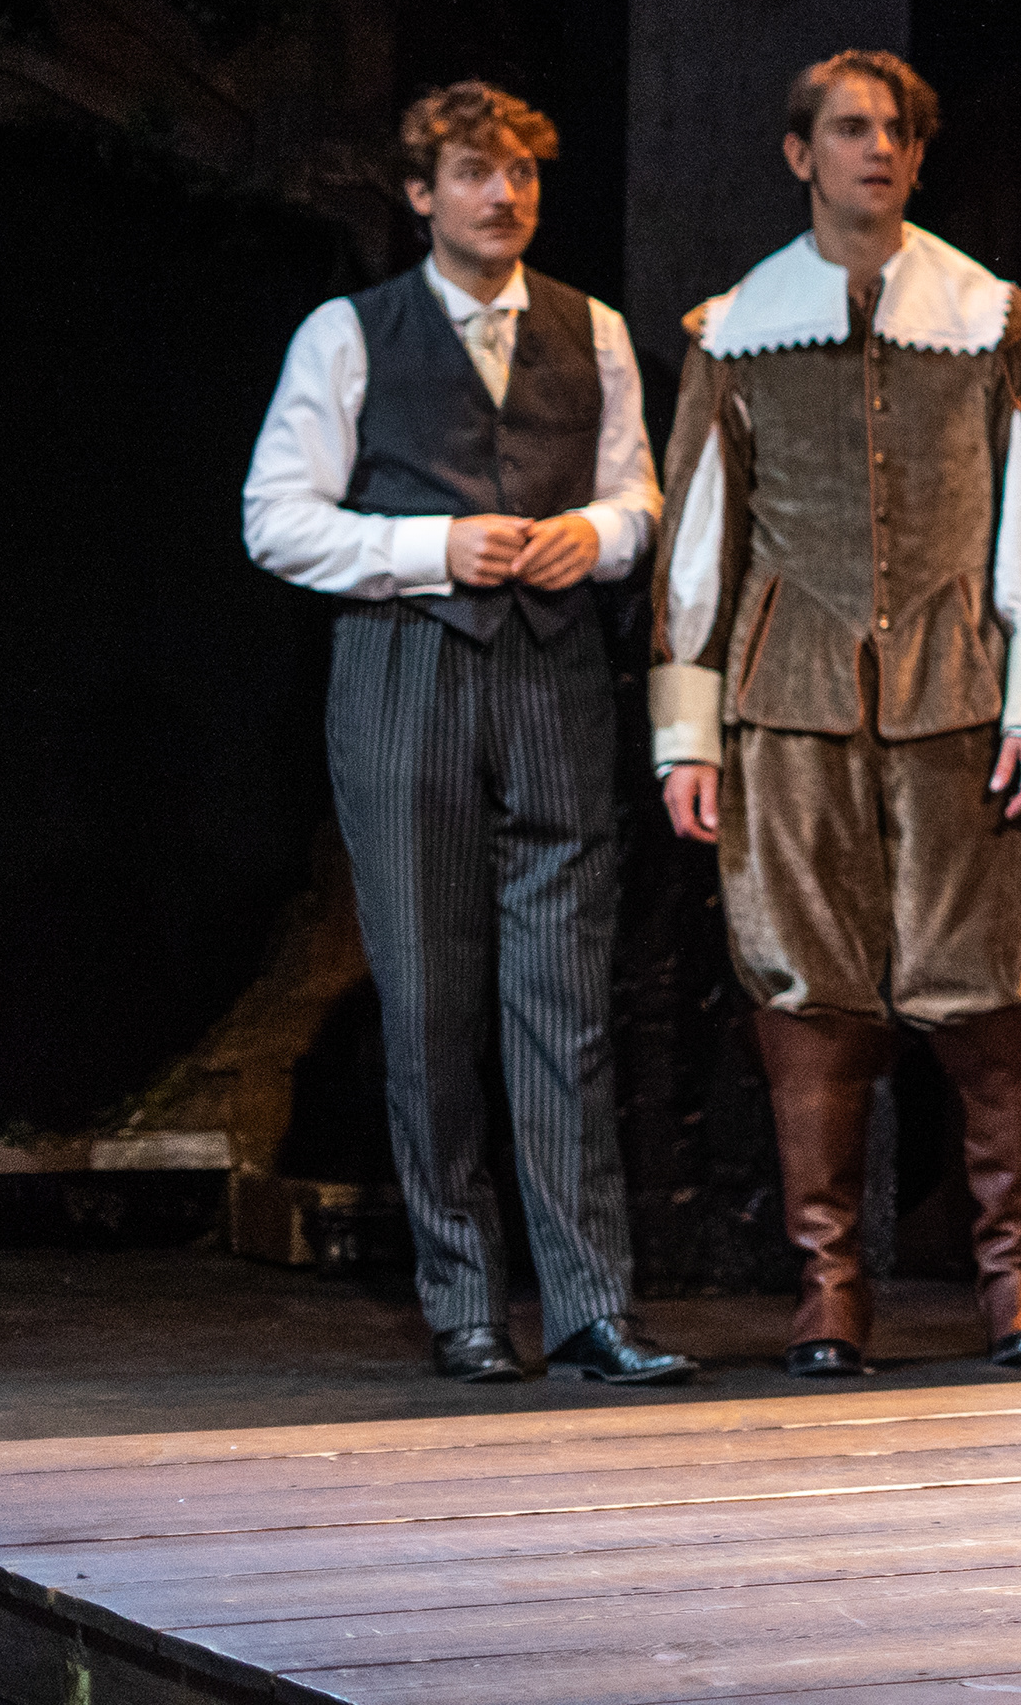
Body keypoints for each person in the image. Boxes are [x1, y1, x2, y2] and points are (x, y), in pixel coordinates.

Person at [242, 81, 695, 1387]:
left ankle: (591, 1303)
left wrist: (593, 537)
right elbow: (276, 518)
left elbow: (638, 498)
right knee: (431, 996)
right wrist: (429, 547)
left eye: (522, 175)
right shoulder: (351, 333)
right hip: (408, 667)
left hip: (553, 675)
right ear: (420, 193)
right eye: (475, 174)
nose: (504, 197)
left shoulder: (590, 328)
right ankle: (464, 1302)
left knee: (566, 1000)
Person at [651, 49, 1021, 1378]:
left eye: (896, 130)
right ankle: (830, 1287)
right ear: (802, 155)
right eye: (850, 130)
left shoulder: (989, 323)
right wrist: (687, 733)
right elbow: (699, 543)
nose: (878, 150)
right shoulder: (738, 333)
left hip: (957, 694)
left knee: (976, 985)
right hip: (787, 702)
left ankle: (1014, 1277)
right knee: (808, 988)